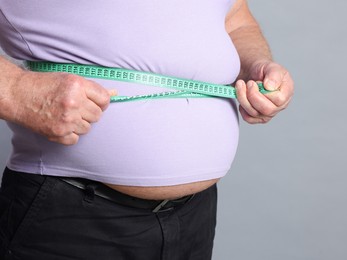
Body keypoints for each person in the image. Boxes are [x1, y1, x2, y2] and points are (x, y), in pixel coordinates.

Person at [0, 0, 294, 259]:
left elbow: (235, 18)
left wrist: (256, 64)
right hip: (70, 214)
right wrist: (15, 90)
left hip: (194, 218)